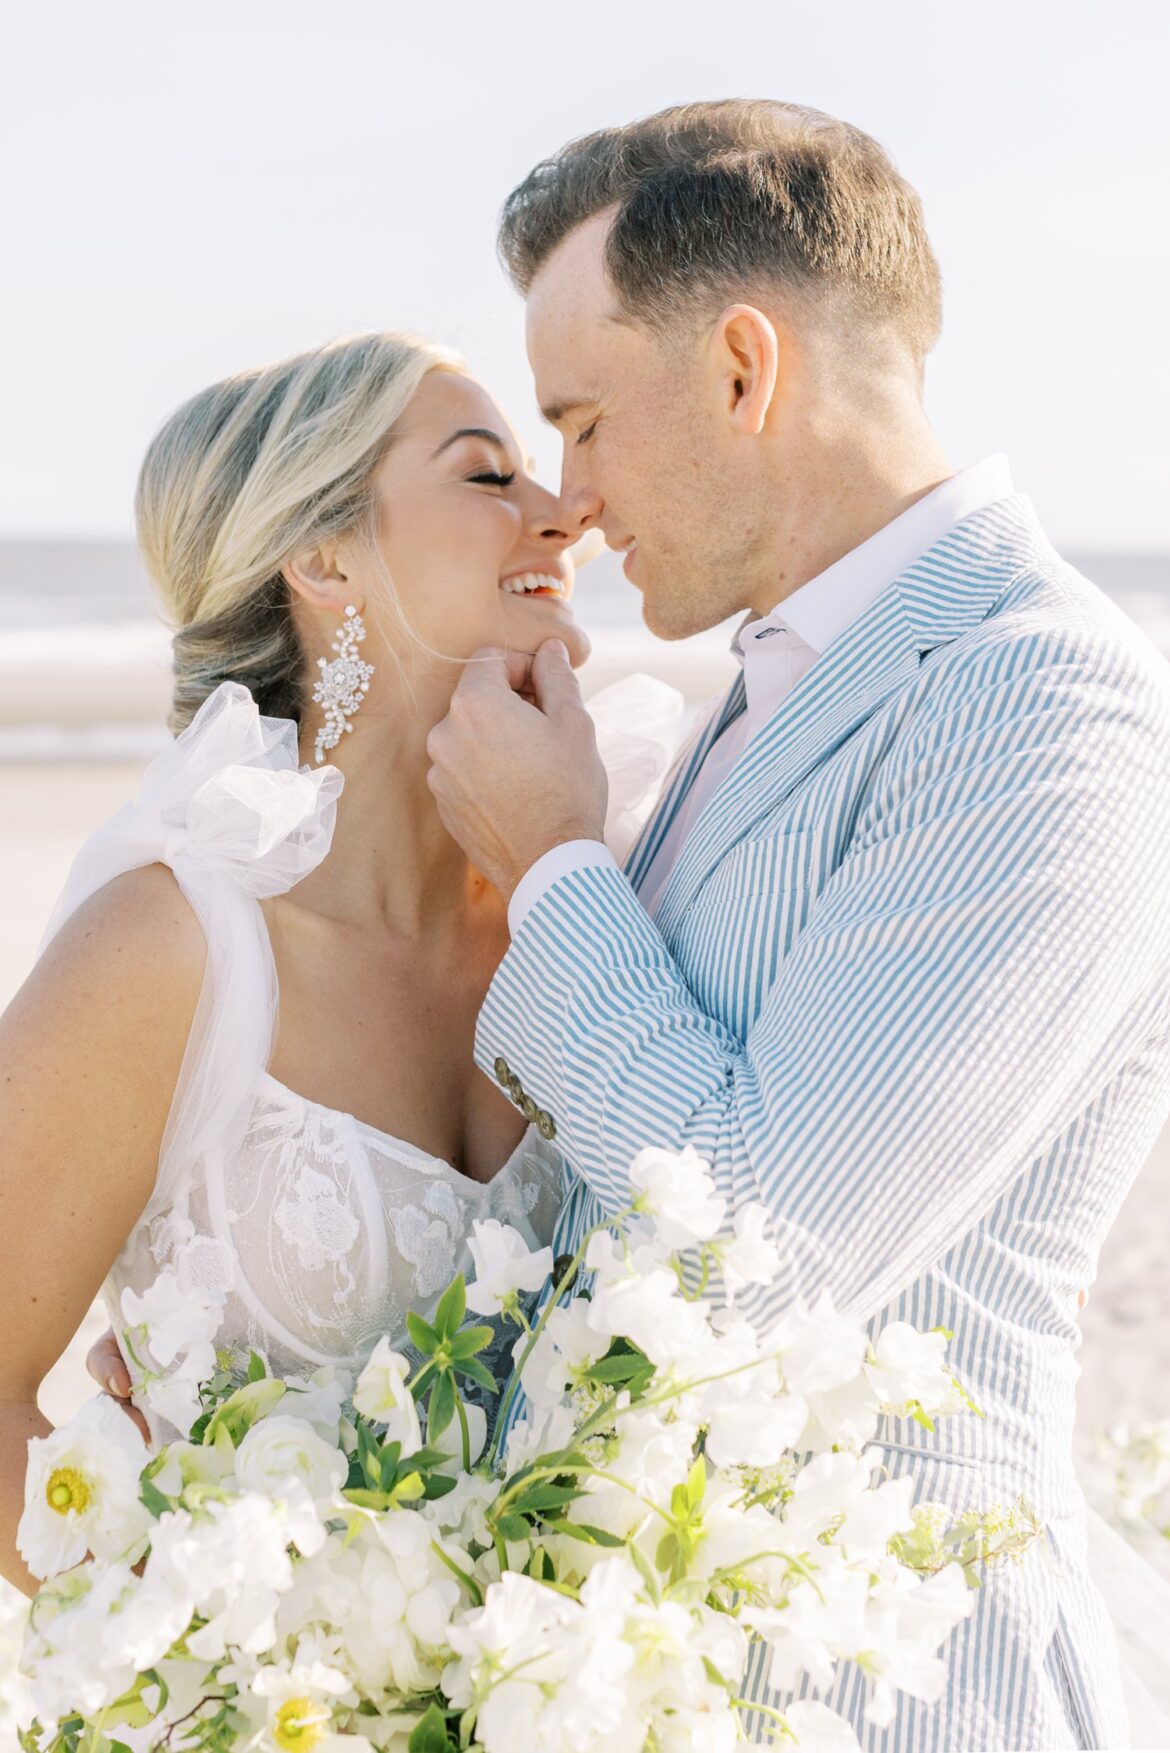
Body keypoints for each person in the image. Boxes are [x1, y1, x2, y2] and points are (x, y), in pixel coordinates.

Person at [425, 101, 1170, 1749]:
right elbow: (598, 1182)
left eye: (589, 419)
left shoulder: (1043, 699)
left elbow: (762, 1254)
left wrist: (557, 868)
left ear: (746, 370)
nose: (573, 498)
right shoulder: (759, 689)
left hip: (895, 1685)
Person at [0, 332, 602, 1597]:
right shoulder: (172, 952)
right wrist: (195, 1673)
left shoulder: (597, 909)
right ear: (326, 560)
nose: (565, 514)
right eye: (490, 476)